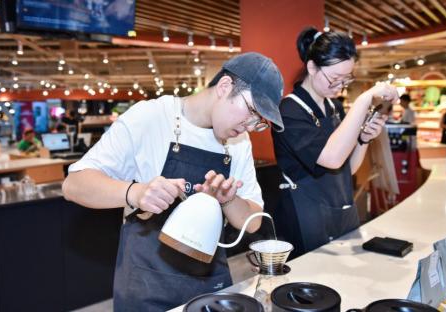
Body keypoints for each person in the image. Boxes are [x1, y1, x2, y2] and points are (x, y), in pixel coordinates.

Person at [62, 52, 284, 311]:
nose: (250, 125)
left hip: (210, 280)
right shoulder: (152, 116)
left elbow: (254, 220)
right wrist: (135, 192)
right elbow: (74, 184)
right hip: (147, 283)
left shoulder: (238, 142)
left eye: (259, 122)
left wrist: (229, 199)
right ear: (225, 87)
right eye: (252, 111)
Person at [271, 27, 399, 259]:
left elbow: (346, 168)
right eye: (335, 78)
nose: (340, 86)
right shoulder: (289, 111)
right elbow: (331, 158)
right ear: (312, 67)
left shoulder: (335, 108)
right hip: (304, 217)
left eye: (346, 79)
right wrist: (363, 100)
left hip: (340, 208)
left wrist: (363, 139)